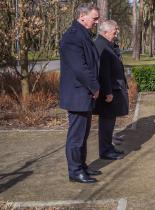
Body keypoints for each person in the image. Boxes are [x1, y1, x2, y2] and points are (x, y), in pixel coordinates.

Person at [59, 3, 101, 183]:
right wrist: (95, 87)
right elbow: (80, 68)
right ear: (82, 16)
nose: (97, 22)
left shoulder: (83, 35)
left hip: (84, 94)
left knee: (83, 134)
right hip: (78, 94)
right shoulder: (73, 36)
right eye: (95, 18)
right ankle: (75, 171)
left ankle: (81, 165)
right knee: (76, 136)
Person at [93, 20, 129, 160]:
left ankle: (108, 147)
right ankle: (105, 151)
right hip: (108, 92)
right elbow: (103, 72)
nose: (116, 33)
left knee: (109, 120)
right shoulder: (101, 46)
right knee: (106, 122)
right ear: (105, 32)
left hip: (112, 89)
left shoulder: (107, 45)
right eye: (115, 31)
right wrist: (108, 92)